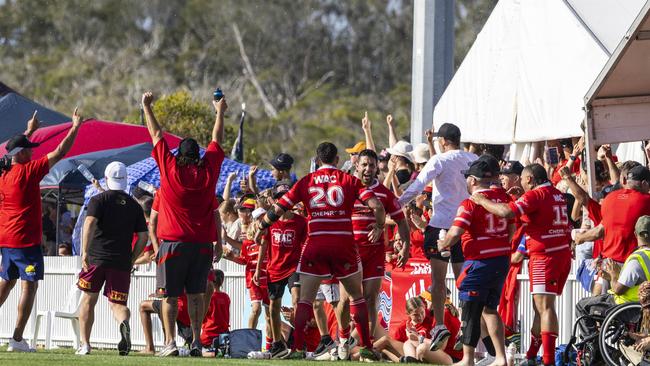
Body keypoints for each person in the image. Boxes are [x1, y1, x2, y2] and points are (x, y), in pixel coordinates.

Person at [254, 142, 386, 361]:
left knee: (305, 300)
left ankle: (296, 348)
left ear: (317, 161)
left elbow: (279, 209)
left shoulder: (306, 181)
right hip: (343, 245)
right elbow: (377, 207)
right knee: (357, 298)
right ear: (336, 160)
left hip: (315, 244)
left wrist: (261, 225)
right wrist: (380, 226)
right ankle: (366, 346)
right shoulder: (350, 180)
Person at [141, 91, 226, 357]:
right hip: (201, 245)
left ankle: (170, 343)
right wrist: (220, 111)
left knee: (168, 296)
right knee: (196, 296)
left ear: (179, 155)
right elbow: (217, 140)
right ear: (198, 156)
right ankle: (197, 342)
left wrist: (147, 106)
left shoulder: (170, 168)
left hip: (173, 245)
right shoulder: (208, 172)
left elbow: (156, 136)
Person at [0, 108, 84, 352]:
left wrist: (30, 131)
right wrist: (75, 127)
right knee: (30, 285)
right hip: (25, 241)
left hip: (6, 239)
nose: (31, 151)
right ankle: (16, 339)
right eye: (28, 148)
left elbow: (13, 149)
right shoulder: (27, 172)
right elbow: (60, 152)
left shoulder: (4, 173)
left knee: (7, 282)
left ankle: (16, 338)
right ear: (22, 154)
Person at [471, 163, 571, 366]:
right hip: (561, 254)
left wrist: (482, 200)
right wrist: (518, 198)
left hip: (545, 256)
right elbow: (535, 216)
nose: (522, 185)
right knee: (540, 308)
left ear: (530, 179)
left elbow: (507, 213)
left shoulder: (536, 195)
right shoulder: (556, 193)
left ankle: (549, 361)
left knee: (545, 308)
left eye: (523, 180)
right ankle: (531, 356)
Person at [398, 122, 477, 351]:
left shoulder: (439, 160)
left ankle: (441, 325)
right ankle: (465, 323)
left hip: (441, 226)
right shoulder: (472, 159)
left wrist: (396, 205)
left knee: (438, 281)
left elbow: (417, 186)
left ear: (442, 141)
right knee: (463, 281)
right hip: (464, 227)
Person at [438, 155, 513, 366]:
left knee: (470, 309)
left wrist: (442, 244)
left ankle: (468, 359)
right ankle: (500, 357)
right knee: (490, 309)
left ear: (472, 180)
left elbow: (454, 234)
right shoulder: (503, 197)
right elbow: (513, 225)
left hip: (480, 261)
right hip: (501, 259)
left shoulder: (470, 203)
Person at [338, 148, 411, 352]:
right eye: (364, 165)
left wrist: (405, 246)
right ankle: (343, 340)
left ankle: (365, 346)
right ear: (356, 166)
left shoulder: (384, 193)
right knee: (346, 300)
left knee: (370, 299)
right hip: (349, 252)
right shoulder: (345, 188)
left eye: (372, 165)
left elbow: (401, 221)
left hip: (374, 253)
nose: (368, 169)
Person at [76, 162, 149, 355]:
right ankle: (123, 323)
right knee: (118, 305)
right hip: (121, 261)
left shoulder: (98, 200)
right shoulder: (134, 205)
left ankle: (85, 344)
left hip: (96, 259)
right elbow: (143, 236)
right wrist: (133, 258)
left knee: (88, 300)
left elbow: (90, 223)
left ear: (106, 179)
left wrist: (84, 251)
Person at [254, 180, 307, 358]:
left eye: (286, 197)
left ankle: (299, 343)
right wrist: (258, 268)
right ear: (274, 200)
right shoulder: (268, 221)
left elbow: (307, 243)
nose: (283, 200)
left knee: (297, 300)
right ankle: (278, 343)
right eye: (279, 197)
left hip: (294, 267)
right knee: (273, 307)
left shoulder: (301, 222)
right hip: (274, 268)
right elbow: (263, 244)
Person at [575, 215, 650, 336]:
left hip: (627, 307)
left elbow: (618, 290)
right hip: (642, 307)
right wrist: (610, 277)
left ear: (635, 234)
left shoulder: (637, 259)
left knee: (582, 306)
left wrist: (614, 275)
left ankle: (595, 350)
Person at [392, 296, 453, 364]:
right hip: (440, 355)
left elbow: (439, 345)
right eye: (416, 315)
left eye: (429, 299)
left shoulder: (443, 315)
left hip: (451, 358)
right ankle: (412, 361)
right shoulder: (436, 315)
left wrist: (418, 337)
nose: (420, 317)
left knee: (422, 347)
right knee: (408, 343)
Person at [200, 269, 230, 350]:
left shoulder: (209, 298)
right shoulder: (226, 297)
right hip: (223, 337)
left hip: (208, 337)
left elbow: (202, 317)